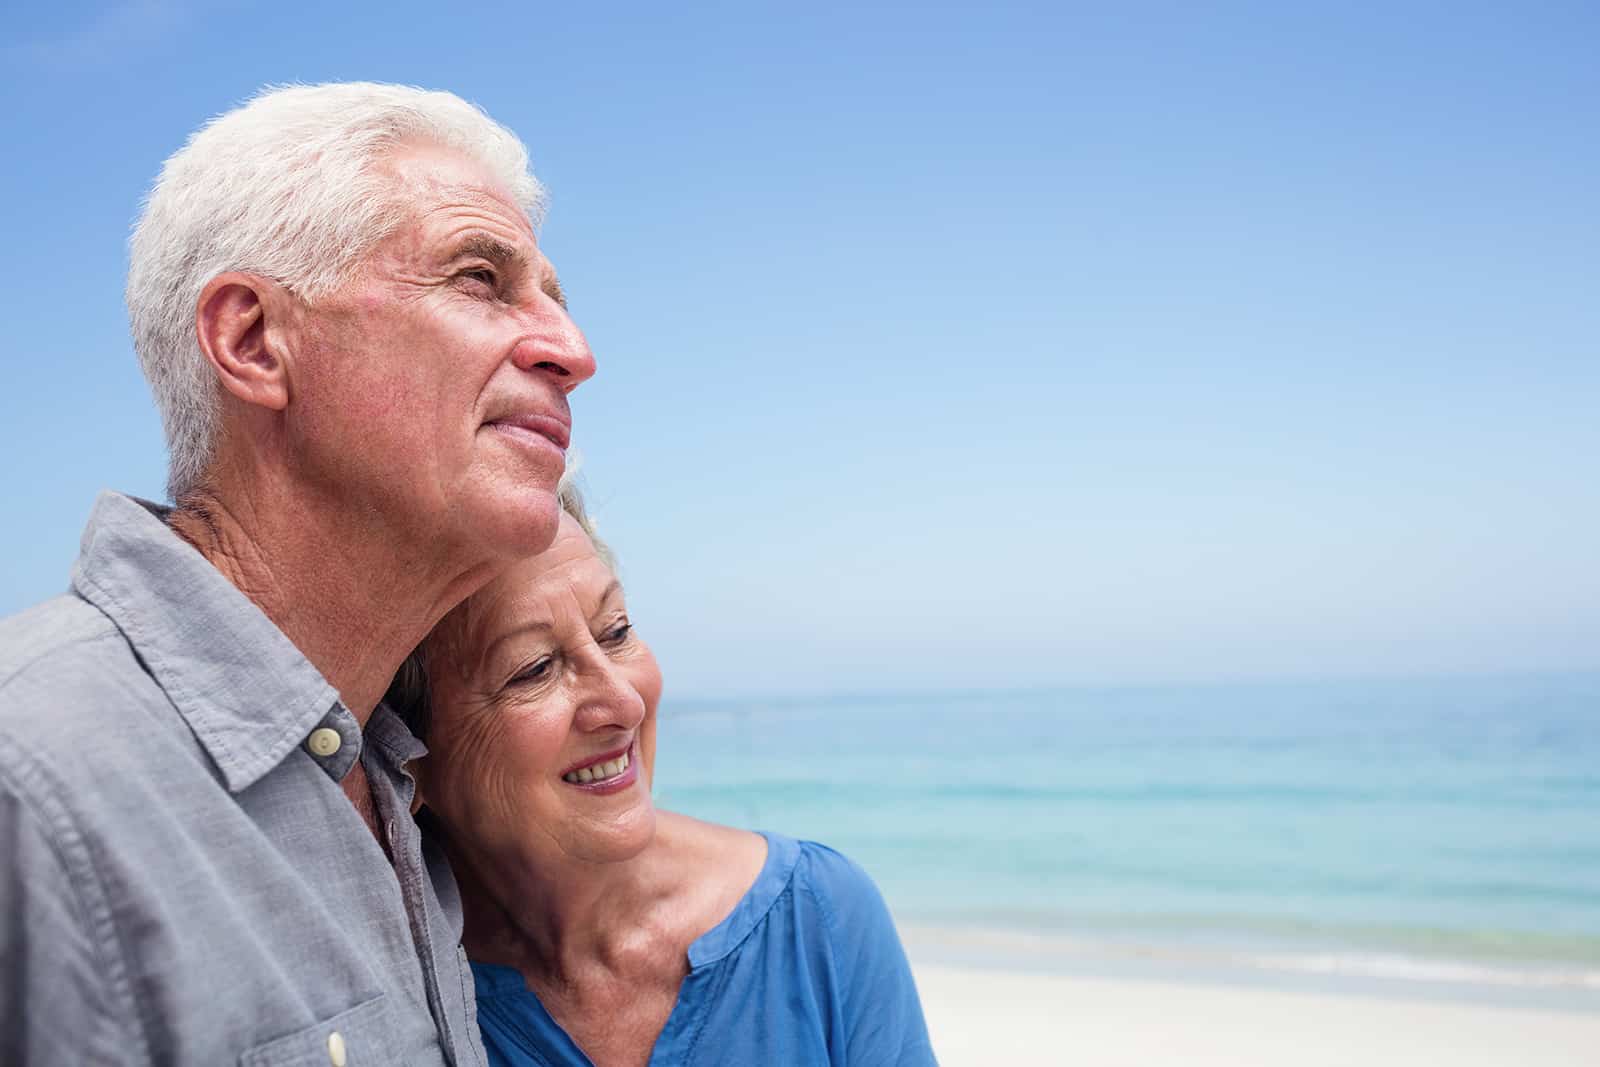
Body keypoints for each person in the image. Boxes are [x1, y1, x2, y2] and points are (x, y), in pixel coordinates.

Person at [0, 82, 594, 1064]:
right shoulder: (31, 779)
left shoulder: (409, 775)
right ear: (253, 342)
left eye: (556, 301)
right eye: (481, 278)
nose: (573, 351)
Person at [386, 480, 938, 1066]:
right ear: (410, 754)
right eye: (535, 669)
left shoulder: (817, 916)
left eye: (616, 631)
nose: (624, 702)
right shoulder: (398, 986)